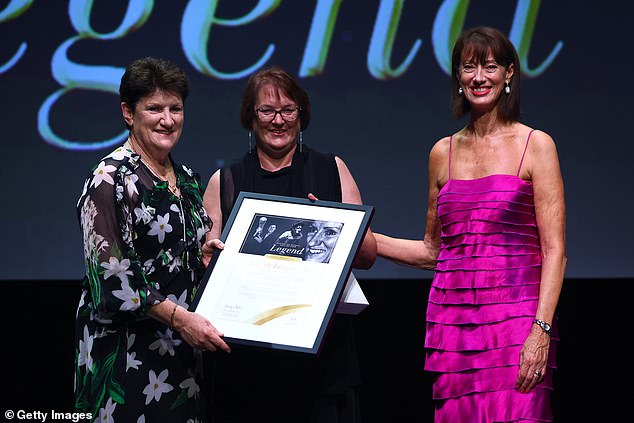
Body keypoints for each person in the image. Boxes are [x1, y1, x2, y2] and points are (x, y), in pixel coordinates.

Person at [374, 27, 566, 422]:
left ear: (509, 73)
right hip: (454, 327)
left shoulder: (536, 145)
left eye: (490, 66)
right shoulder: (441, 153)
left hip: (517, 324)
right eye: (469, 67)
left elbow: (555, 251)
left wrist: (540, 330)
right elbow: (434, 251)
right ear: (458, 77)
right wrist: (358, 234)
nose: (479, 77)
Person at [202, 65, 377, 422]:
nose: (278, 120)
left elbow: (368, 254)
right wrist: (209, 259)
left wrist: (332, 227)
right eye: (267, 110)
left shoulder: (331, 169)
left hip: (322, 361)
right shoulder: (226, 181)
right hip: (249, 362)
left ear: (302, 115)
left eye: (288, 110)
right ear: (251, 118)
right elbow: (207, 260)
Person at [74, 56, 230, 422]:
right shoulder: (110, 178)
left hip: (182, 354)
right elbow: (112, 279)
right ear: (129, 112)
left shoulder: (188, 177)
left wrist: (203, 252)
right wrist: (180, 319)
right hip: (126, 354)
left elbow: (180, 250)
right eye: (154, 108)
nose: (168, 119)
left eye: (176, 108)